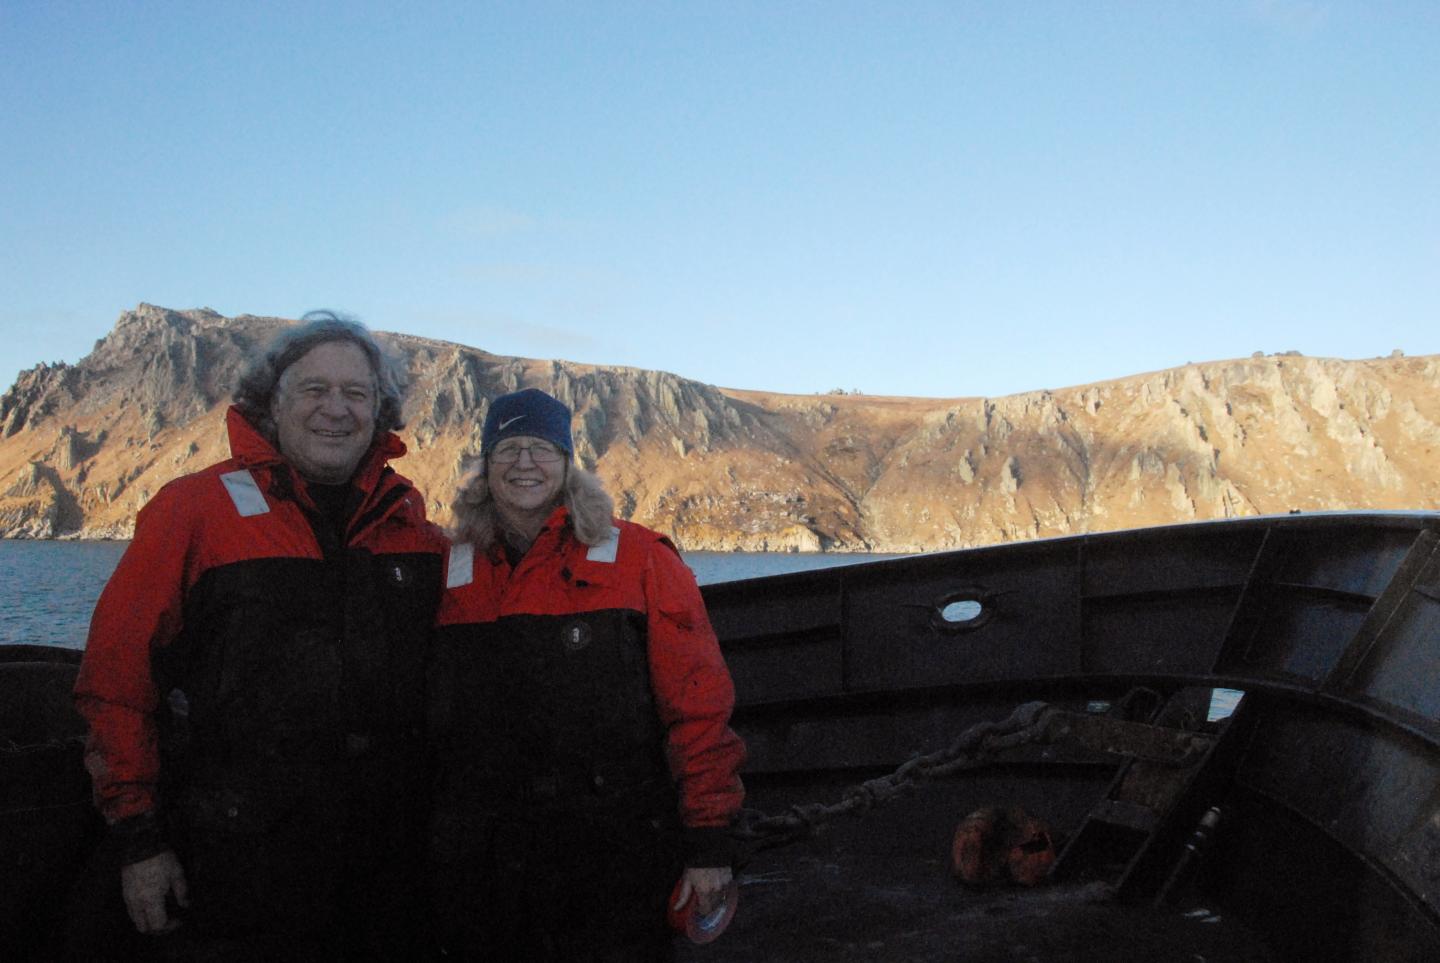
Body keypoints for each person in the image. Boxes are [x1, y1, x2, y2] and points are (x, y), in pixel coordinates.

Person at [71, 312, 446, 961]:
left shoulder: (411, 529)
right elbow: (116, 681)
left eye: (356, 393)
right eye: (313, 389)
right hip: (236, 866)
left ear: (379, 411)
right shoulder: (194, 512)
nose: (336, 409)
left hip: (386, 870)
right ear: (272, 401)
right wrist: (138, 838)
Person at [431, 387, 746, 961]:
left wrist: (708, 843)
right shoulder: (453, 568)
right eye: (508, 449)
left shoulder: (641, 558)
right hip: (490, 861)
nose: (524, 463)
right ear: (485, 464)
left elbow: (698, 707)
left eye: (542, 448)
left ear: (568, 462)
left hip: (615, 852)